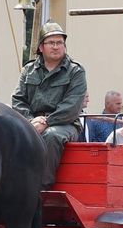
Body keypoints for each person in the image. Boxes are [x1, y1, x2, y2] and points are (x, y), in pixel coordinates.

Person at [12, 20, 88, 188]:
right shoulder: (28, 70)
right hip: (32, 122)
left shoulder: (76, 71)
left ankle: (41, 186)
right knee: (7, 134)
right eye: (51, 43)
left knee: (52, 136)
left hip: (65, 123)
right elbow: (18, 100)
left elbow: (72, 106)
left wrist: (46, 121)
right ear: (41, 47)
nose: (56, 46)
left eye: (60, 42)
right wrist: (32, 121)